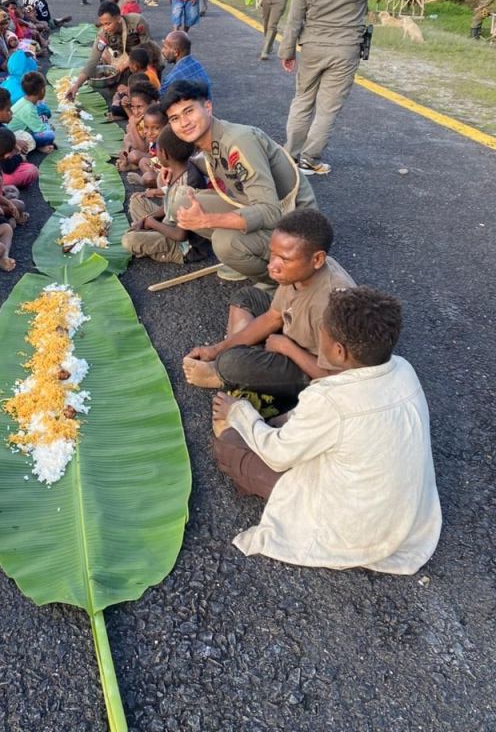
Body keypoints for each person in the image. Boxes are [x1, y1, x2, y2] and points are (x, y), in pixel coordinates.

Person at [211, 286, 442, 574]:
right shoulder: (404, 369)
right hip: (406, 519)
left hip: (354, 529)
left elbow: (278, 456)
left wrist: (239, 412)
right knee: (279, 431)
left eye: (321, 331)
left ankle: (247, 473)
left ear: (338, 351)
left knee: (229, 443)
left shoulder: (329, 399)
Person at [279, 0, 451, 176]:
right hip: (345, 48)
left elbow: (295, 17)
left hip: (312, 46)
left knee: (302, 100)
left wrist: (287, 51)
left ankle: (290, 155)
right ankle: (309, 159)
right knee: (327, 108)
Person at [183, 209, 354, 413]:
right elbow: (273, 317)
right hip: (292, 335)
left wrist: (286, 347)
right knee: (247, 297)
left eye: (285, 259)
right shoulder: (300, 273)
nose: (272, 266)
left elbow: (338, 378)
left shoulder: (332, 305)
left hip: (311, 368)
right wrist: (216, 349)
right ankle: (243, 366)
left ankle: (225, 375)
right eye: (273, 254)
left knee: (231, 362)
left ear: (317, 260)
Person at [161, 80, 316, 282]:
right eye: (174, 118)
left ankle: (280, 282)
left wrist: (207, 220)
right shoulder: (212, 139)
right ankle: (249, 256)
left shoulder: (239, 141)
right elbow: (215, 163)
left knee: (225, 242)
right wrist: (172, 165)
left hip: (296, 225)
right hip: (260, 208)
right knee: (181, 205)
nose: (184, 123)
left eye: (189, 111)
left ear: (208, 107)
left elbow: (271, 212)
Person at [122, 123, 206, 263]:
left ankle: (155, 245)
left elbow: (180, 235)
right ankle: (149, 238)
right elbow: (169, 207)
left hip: (184, 245)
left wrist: (152, 223)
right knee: (136, 200)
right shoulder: (179, 168)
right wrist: (148, 219)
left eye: (157, 149)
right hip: (169, 222)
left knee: (128, 240)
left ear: (164, 154)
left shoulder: (188, 186)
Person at [66, 1, 158, 98]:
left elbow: (147, 48)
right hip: (124, 66)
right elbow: (92, 61)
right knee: (118, 95)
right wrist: (76, 85)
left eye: (108, 24)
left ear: (118, 18)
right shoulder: (103, 35)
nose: (105, 28)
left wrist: (125, 63)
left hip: (144, 61)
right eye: (102, 24)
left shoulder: (137, 22)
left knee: (143, 92)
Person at [8, 72, 55, 151]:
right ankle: (39, 146)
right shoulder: (28, 108)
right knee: (49, 135)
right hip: (16, 137)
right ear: (42, 90)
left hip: (21, 130)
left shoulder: (25, 100)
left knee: (43, 116)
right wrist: (49, 127)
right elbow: (40, 130)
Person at [159, 31, 212, 98]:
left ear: (175, 52)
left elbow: (161, 101)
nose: (162, 50)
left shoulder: (172, 79)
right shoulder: (198, 66)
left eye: (165, 47)